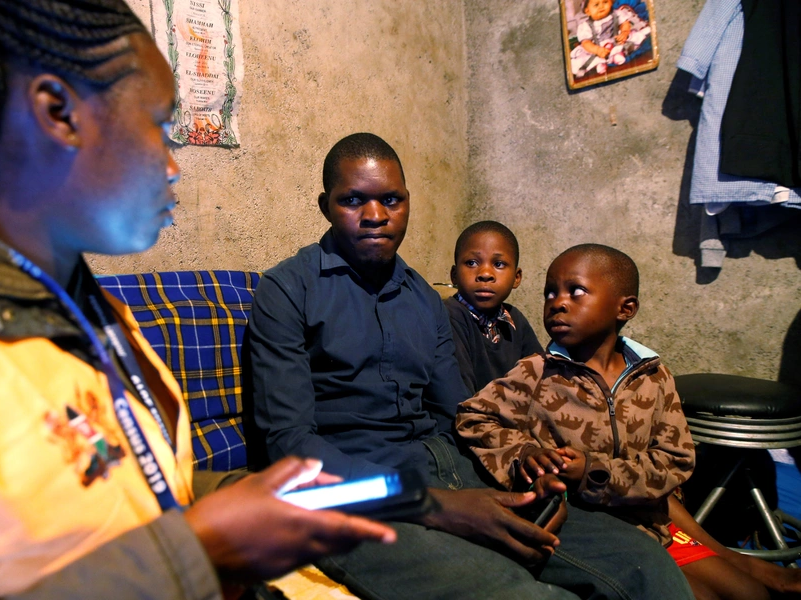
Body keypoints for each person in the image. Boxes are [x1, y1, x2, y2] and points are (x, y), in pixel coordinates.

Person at [0, 2, 395, 598]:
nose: (172, 167)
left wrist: (235, 498)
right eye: (160, 126)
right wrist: (200, 552)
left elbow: (127, 494)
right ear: (57, 112)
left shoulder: (77, 299)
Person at [246, 132, 696, 600]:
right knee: (519, 593)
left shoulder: (423, 297)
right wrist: (438, 507)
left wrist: (521, 465)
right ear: (325, 206)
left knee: (643, 564)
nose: (375, 215)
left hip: (453, 470)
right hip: (352, 492)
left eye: (391, 200)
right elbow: (289, 447)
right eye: (353, 200)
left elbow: (457, 415)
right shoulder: (287, 290)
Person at [457, 244, 770, 600]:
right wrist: (525, 454)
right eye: (550, 292)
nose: (557, 302)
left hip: (652, 524)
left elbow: (676, 459)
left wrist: (594, 472)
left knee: (749, 593)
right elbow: (474, 416)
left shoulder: (653, 376)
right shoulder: (538, 372)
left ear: (626, 308)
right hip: (582, 527)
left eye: (576, 291)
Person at [444, 220, 542, 395]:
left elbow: (540, 381)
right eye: (472, 263)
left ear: (516, 278)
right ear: (454, 275)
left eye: (499, 264)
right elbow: (459, 397)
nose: (485, 274)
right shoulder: (449, 317)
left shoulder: (514, 320)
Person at [570, 0, 652, 77]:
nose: (601, 6)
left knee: (633, 37)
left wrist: (624, 33)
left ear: (611, 2)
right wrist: (597, 50)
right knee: (587, 57)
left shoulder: (616, 14)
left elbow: (625, 24)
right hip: (598, 47)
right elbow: (586, 43)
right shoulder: (585, 26)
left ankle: (618, 55)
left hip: (615, 40)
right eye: (596, 5)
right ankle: (601, 63)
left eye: (605, 1)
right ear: (587, 11)